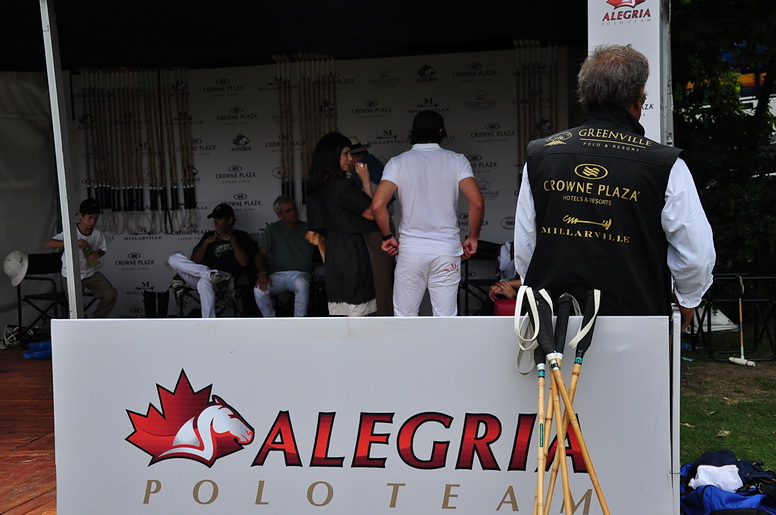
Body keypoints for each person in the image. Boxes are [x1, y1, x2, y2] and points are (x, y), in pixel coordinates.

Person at [513, 44, 716, 330]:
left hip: (552, 320)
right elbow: (695, 252)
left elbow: (525, 247)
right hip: (637, 320)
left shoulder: (541, 156)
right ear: (638, 98)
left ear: (585, 94)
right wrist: (687, 299)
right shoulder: (664, 164)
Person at [371, 110, 485, 317]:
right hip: (446, 249)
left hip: (411, 250)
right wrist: (474, 237)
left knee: (404, 318)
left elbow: (378, 205)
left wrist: (387, 237)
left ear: (413, 133)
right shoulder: (457, 161)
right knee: (445, 318)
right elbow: (477, 203)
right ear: (441, 132)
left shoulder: (397, 162)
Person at [307, 131, 378, 317]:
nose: (350, 158)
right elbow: (372, 213)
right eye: (345, 153)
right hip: (350, 247)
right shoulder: (341, 185)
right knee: (357, 304)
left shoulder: (319, 184)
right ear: (332, 155)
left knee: (343, 306)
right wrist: (365, 181)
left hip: (333, 248)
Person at [168, 203, 257, 318]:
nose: (215, 221)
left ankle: (208, 321)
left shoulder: (241, 236)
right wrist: (206, 242)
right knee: (173, 258)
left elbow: (244, 262)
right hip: (202, 274)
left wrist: (232, 240)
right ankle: (210, 274)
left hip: (226, 279)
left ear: (230, 220)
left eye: (219, 218)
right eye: (214, 218)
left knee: (204, 282)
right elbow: (195, 261)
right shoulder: (208, 236)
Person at [347, 136, 395, 316]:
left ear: (353, 156)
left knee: (380, 284)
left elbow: (376, 207)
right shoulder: (371, 166)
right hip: (374, 231)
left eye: (345, 156)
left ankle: (383, 324)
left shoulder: (367, 169)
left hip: (378, 230)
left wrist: (365, 181)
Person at [46, 198, 117, 318]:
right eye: (90, 218)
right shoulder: (71, 232)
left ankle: (96, 321)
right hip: (71, 275)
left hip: (90, 272)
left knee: (111, 294)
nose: (92, 222)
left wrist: (96, 255)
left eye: (96, 218)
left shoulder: (97, 233)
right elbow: (49, 244)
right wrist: (74, 242)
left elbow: (103, 250)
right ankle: (81, 324)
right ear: (80, 216)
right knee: (77, 307)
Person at [253, 195, 315, 317]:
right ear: (279, 215)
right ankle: (271, 322)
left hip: (301, 273)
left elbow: (323, 248)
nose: (293, 213)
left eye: (294, 209)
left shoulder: (308, 228)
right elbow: (260, 254)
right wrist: (263, 273)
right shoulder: (273, 229)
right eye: (288, 211)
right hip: (278, 275)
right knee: (259, 290)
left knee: (301, 283)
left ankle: (299, 323)